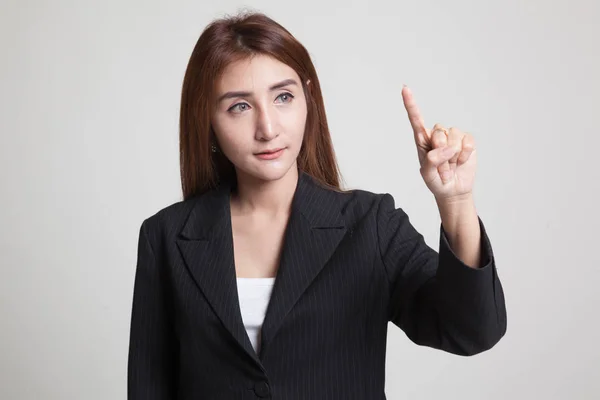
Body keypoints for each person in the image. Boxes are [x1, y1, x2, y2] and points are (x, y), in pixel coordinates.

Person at [127, 11, 507, 400]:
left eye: (283, 97)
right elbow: (148, 387)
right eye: (240, 106)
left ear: (308, 97)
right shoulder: (166, 238)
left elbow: (472, 330)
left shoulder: (370, 226)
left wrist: (456, 202)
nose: (268, 128)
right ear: (207, 120)